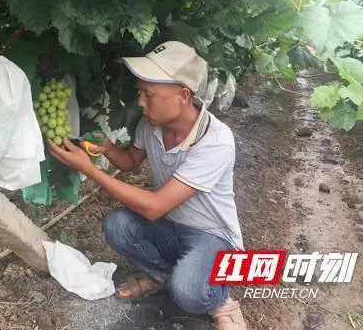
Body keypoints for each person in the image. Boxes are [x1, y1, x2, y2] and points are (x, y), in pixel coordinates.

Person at [47, 41, 247, 330]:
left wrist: (88, 169)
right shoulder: (152, 124)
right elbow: (130, 160)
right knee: (117, 224)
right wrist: (107, 149)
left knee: (189, 292)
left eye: (149, 94)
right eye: (141, 92)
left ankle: (218, 298)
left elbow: (154, 208)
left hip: (213, 237)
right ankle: (162, 276)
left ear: (182, 96)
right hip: (172, 226)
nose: (141, 101)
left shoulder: (215, 141)